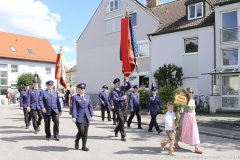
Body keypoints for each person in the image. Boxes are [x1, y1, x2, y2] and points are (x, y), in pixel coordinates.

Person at [175, 88, 203, 154]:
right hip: (184, 117)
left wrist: (194, 117)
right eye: (190, 92)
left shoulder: (193, 100)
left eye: (192, 92)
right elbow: (179, 110)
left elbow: (194, 111)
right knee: (180, 130)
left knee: (194, 131)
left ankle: (196, 148)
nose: (191, 93)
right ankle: (176, 143)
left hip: (192, 117)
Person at [72, 83, 94, 151]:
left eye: (82, 89)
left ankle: (84, 146)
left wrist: (92, 115)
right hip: (79, 117)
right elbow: (74, 108)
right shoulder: (75, 97)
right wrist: (74, 117)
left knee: (85, 132)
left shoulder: (88, 97)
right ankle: (77, 140)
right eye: (79, 89)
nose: (81, 90)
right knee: (81, 131)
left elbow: (90, 106)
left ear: (84, 89)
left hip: (86, 117)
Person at [112, 77, 131, 141]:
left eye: (119, 82)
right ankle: (123, 136)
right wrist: (123, 98)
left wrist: (127, 80)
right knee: (122, 121)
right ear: (115, 84)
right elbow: (115, 100)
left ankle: (116, 130)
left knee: (124, 120)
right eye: (117, 83)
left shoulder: (122, 88)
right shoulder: (114, 92)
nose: (118, 84)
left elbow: (129, 86)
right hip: (118, 108)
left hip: (124, 107)